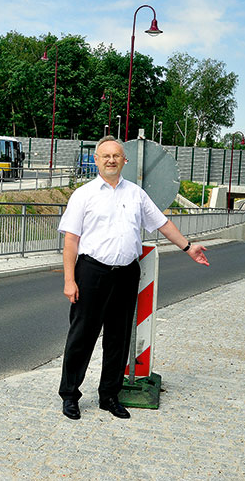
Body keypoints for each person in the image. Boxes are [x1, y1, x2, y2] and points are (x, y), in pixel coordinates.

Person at [57, 135, 209, 420]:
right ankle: (70, 396)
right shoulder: (84, 195)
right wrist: (69, 279)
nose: (111, 160)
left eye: (116, 155)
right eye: (106, 156)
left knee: (118, 338)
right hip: (92, 272)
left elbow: (162, 224)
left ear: (125, 160)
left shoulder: (136, 194)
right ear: (96, 160)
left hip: (126, 275)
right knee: (82, 337)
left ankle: (109, 396)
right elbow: (71, 241)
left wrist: (188, 247)